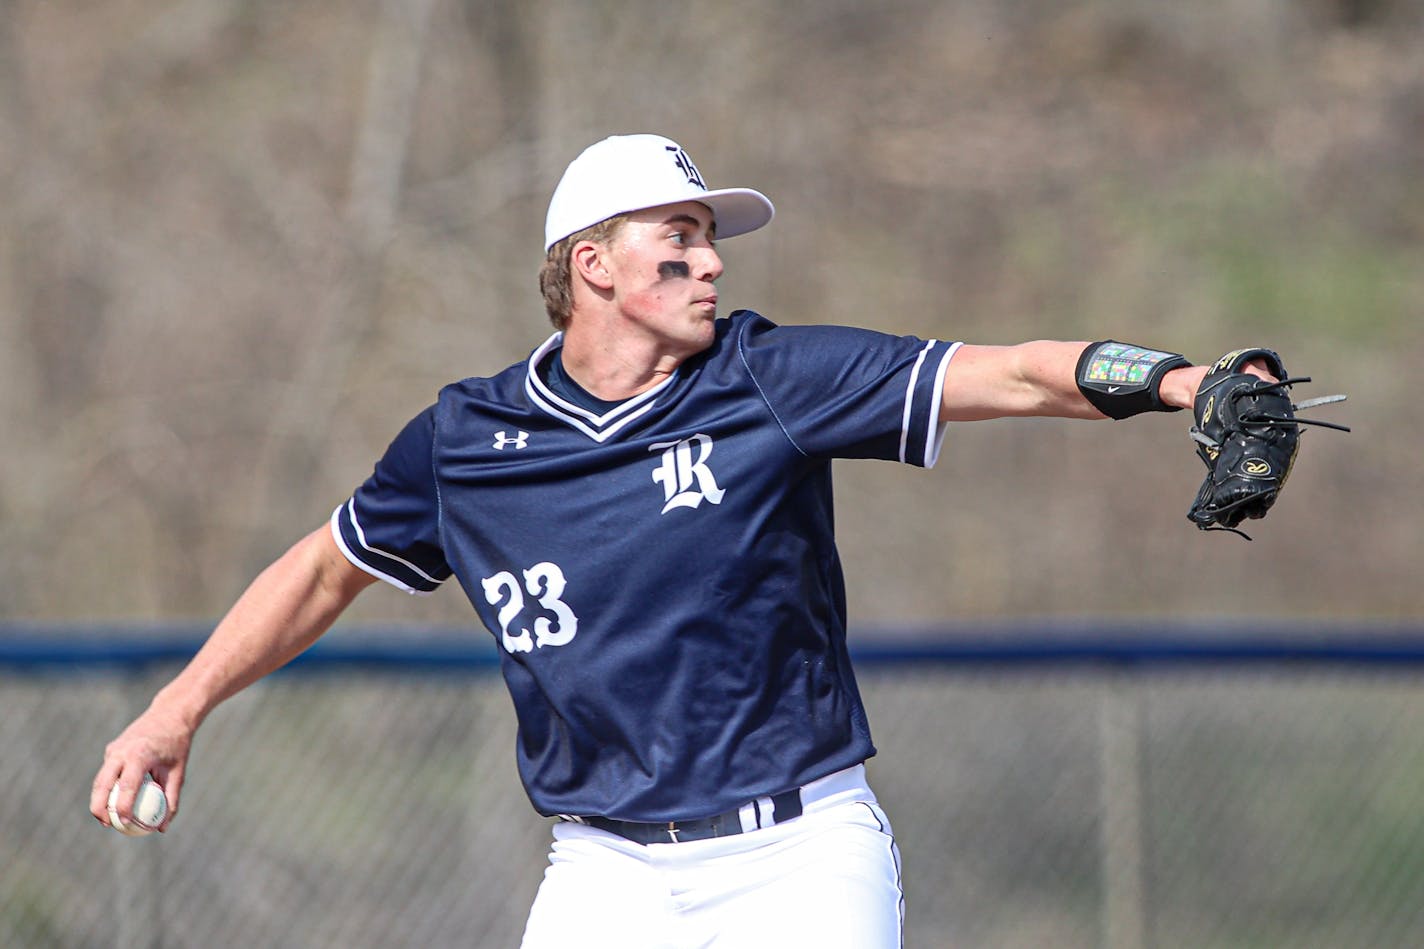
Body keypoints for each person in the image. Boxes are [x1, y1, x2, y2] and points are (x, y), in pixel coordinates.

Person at [93, 133, 1269, 947]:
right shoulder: (466, 439)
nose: (709, 261)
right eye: (679, 237)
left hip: (796, 854)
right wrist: (175, 707)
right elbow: (322, 567)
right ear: (590, 265)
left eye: (711, 240)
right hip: (603, 866)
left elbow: (1008, 373)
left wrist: (1179, 381)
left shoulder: (768, 378)